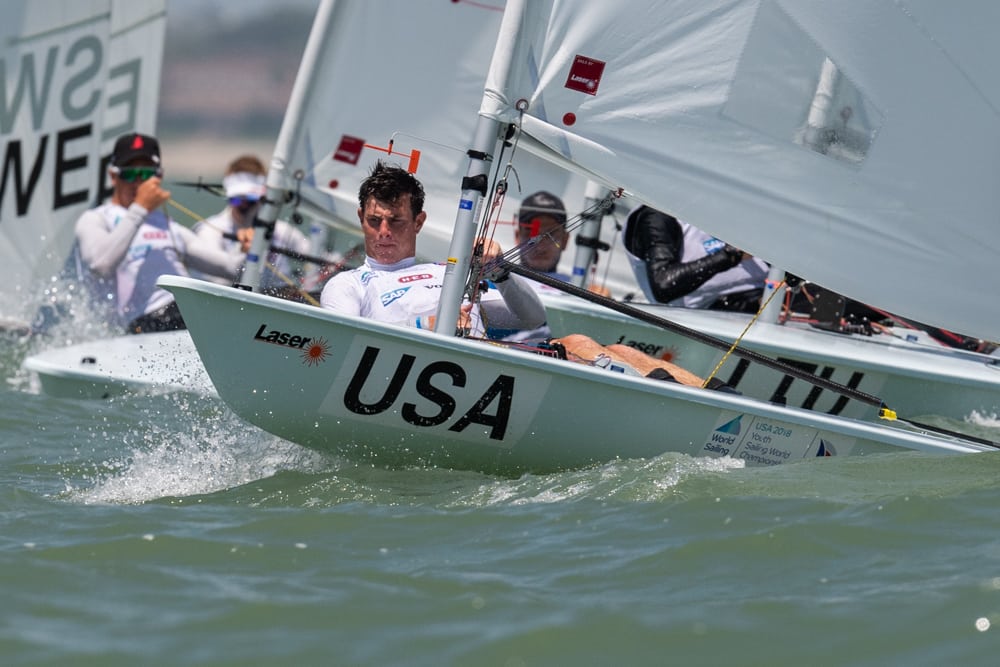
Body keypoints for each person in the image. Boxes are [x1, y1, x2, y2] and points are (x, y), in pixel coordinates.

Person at [320, 162, 717, 389]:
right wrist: (428, 323)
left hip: (481, 366)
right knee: (577, 348)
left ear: (419, 221)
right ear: (361, 219)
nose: (384, 232)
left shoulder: (446, 271)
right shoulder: (350, 284)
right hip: (431, 375)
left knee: (595, 344)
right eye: (374, 221)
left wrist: (501, 273)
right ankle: (649, 397)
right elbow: (345, 341)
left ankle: (713, 395)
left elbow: (530, 319)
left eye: (397, 221)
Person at [74, 132, 245, 334]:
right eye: (129, 174)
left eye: (146, 175)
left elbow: (231, 268)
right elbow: (100, 264)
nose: (138, 183)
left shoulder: (169, 227)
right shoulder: (96, 219)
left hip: (188, 315)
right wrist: (139, 209)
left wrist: (249, 249)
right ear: (113, 176)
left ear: (159, 176)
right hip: (138, 328)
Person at [193, 155, 315, 292]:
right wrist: (243, 253)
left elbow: (317, 255)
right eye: (237, 199)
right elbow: (212, 282)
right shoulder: (210, 231)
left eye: (250, 199)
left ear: (263, 197)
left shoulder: (282, 231)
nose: (243, 205)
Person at [623, 204, 769, 313]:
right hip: (698, 317)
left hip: (764, 301)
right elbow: (664, 285)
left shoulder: (736, 206)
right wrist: (731, 255)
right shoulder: (656, 215)